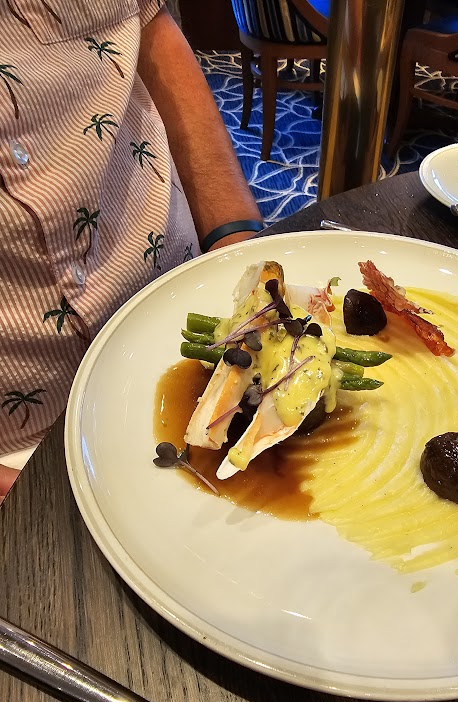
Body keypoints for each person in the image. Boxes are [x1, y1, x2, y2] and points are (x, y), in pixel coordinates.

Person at [0, 0, 262, 504]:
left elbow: (149, 25)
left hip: (196, 308)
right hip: (17, 456)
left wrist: (236, 239)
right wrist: (29, 503)